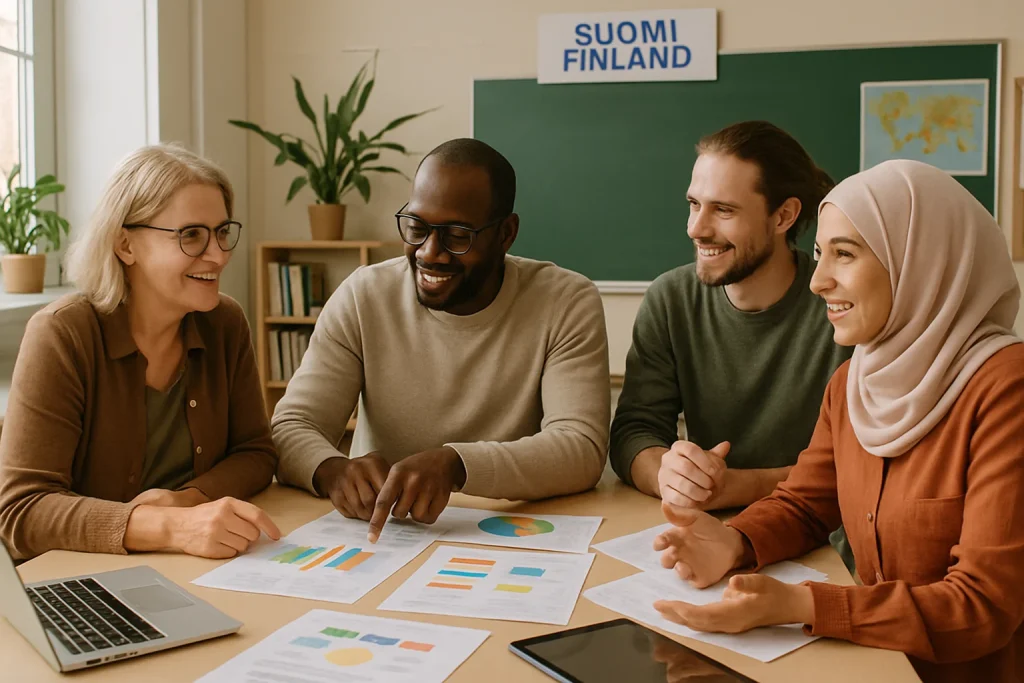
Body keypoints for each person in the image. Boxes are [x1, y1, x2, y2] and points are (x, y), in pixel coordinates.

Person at [651, 160, 1024, 683]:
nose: (818, 281)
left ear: (921, 262)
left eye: (845, 255)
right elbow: (806, 503)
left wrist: (801, 605)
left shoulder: (1007, 387)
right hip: (867, 662)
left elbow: (982, 606)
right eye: (821, 254)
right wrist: (736, 542)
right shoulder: (854, 380)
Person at [273, 138, 610, 543]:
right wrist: (331, 469)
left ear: (506, 233)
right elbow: (292, 426)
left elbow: (581, 448)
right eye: (417, 228)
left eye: (457, 235)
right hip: (385, 538)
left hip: (509, 535)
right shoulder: (364, 295)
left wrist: (456, 466)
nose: (430, 253)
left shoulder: (566, 301)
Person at [0, 144, 281, 562]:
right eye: (191, 235)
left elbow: (256, 452)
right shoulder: (62, 334)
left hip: (190, 564)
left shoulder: (225, 322)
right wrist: (169, 527)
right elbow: (21, 511)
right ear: (125, 245)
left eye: (222, 232)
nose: (219, 255)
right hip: (78, 578)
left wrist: (187, 501)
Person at [610, 122, 852, 554]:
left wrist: (737, 486)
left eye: (723, 210)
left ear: (783, 216)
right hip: (705, 534)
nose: (696, 229)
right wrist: (667, 473)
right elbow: (635, 431)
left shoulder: (842, 308)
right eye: (693, 204)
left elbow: (860, 466)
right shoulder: (669, 299)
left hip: (822, 540)